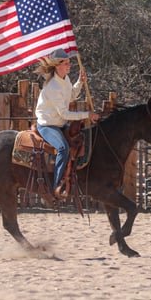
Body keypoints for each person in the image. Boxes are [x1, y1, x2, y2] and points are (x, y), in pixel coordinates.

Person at [34, 48, 100, 197]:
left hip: (59, 124)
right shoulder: (52, 86)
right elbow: (64, 113)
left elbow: (71, 96)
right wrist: (87, 115)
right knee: (63, 148)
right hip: (48, 125)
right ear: (57, 65)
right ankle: (56, 185)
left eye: (69, 63)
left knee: (80, 139)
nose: (69, 65)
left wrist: (80, 83)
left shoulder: (65, 79)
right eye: (66, 63)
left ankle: (74, 177)